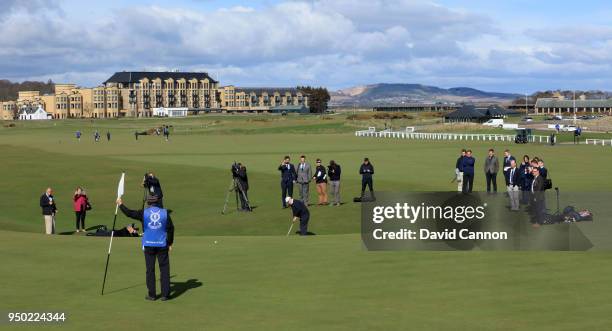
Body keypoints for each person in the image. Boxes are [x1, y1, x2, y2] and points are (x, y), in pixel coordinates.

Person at [117, 195, 174, 301]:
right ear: (158, 202)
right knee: (164, 269)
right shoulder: (165, 213)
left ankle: (152, 295)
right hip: (162, 244)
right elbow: (171, 228)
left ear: (148, 203)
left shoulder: (143, 213)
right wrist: (170, 243)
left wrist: (120, 204)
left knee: (150, 270)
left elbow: (129, 213)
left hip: (148, 244)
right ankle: (165, 294)